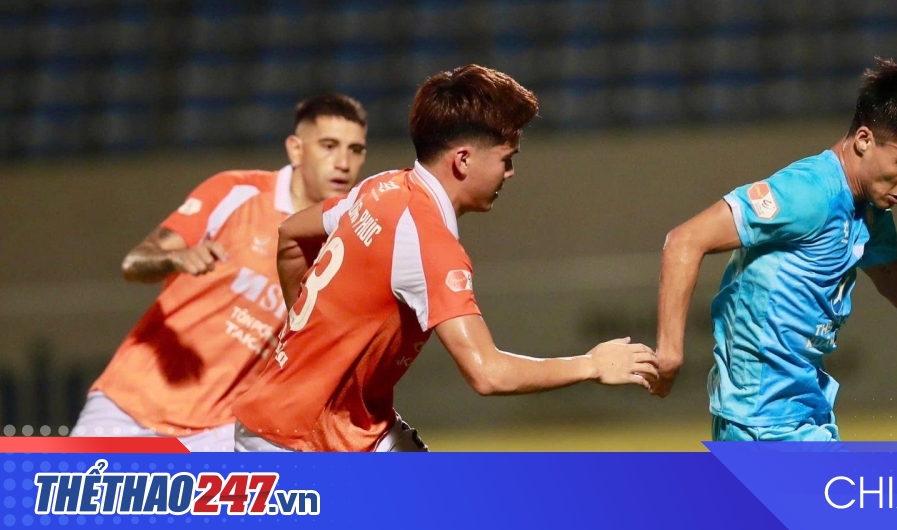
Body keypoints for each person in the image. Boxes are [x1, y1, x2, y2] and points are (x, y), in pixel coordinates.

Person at [232, 65, 657, 452]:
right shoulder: (430, 243)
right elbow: (487, 373)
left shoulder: (381, 187)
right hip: (296, 442)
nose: (509, 173)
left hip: (339, 423)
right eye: (506, 159)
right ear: (463, 160)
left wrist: (307, 333)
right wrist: (590, 364)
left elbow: (291, 237)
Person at [652, 59, 897, 442]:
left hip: (803, 409)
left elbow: (895, 278)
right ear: (864, 140)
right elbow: (685, 240)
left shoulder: (869, 210)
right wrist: (670, 352)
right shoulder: (808, 193)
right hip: (762, 420)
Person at [72, 95, 369, 451]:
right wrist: (176, 259)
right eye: (329, 146)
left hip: (218, 434)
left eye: (355, 150)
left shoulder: (346, 248)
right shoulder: (237, 193)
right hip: (129, 405)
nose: (343, 163)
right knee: (66, 488)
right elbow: (135, 263)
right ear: (296, 149)